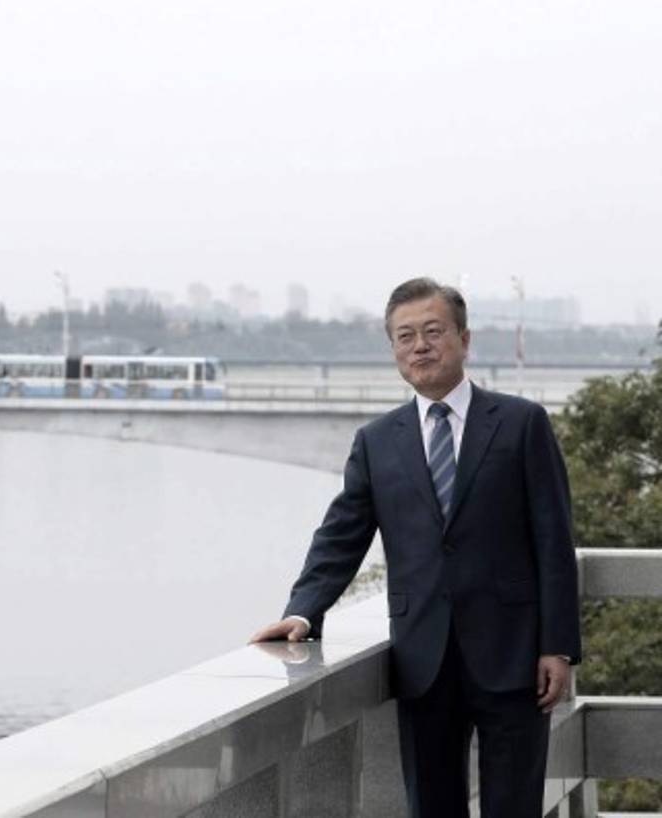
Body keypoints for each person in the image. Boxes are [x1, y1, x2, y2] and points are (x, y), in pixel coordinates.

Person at [249, 277, 581, 818]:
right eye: (405, 337)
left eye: (433, 331)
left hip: (515, 655)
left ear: (464, 339)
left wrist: (558, 646)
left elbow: (554, 541)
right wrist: (303, 611)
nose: (420, 346)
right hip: (423, 657)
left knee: (515, 807)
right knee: (431, 806)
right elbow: (341, 536)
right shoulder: (377, 442)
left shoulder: (522, 424)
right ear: (394, 351)